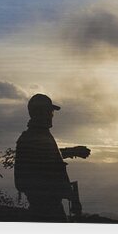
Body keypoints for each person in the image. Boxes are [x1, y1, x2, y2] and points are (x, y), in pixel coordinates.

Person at [14, 93, 91, 222]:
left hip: (44, 206)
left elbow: (47, 157)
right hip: (47, 209)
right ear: (41, 113)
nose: (51, 115)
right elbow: (47, 167)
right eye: (49, 111)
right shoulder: (37, 137)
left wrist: (71, 152)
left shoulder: (35, 136)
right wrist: (67, 193)